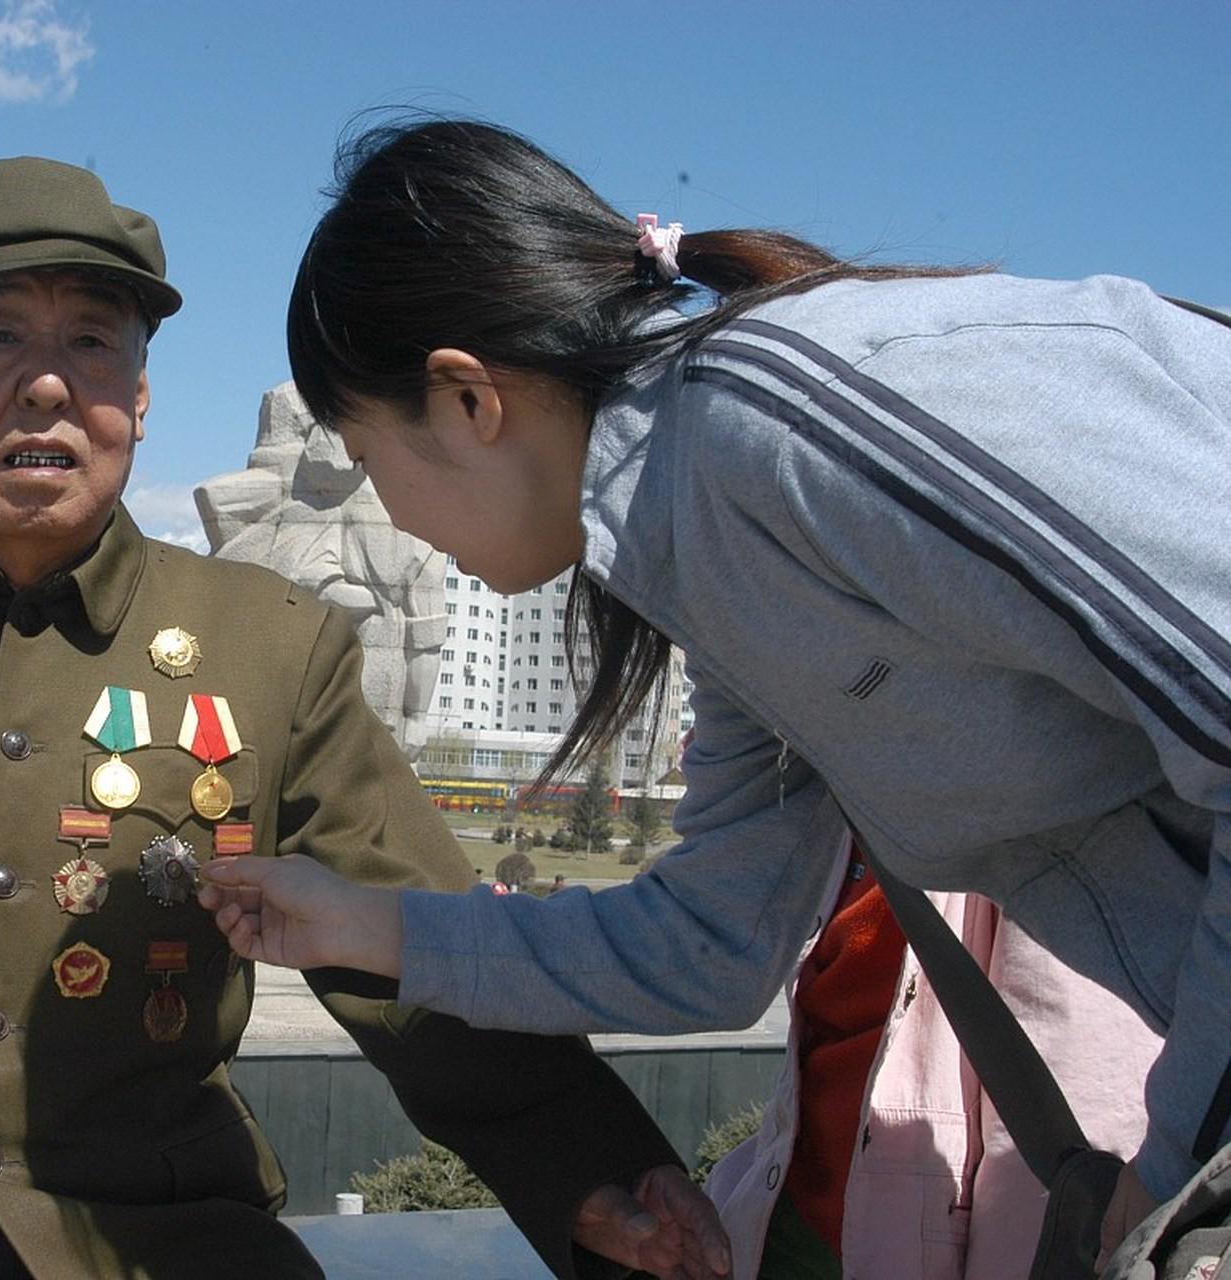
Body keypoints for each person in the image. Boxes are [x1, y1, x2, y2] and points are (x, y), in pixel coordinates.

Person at [0, 155, 731, 1279]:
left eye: (92, 343)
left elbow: (414, 951)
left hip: (166, 1237)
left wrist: (588, 1173)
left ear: (141, 395)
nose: (48, 381)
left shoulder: (275, 647)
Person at [199, 116, 1231, 1269]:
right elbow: (716, 940)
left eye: (365, 451)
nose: (386, 515)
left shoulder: (779, 429)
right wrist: (369, 924)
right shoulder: (701, 539)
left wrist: (1172, 1164)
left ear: (466, 400)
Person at [703, 837, 1160, 1278]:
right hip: (788, 1214)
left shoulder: (1040, 814)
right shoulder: (836, 792)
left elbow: (1067, 1120)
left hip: (928, 1240)